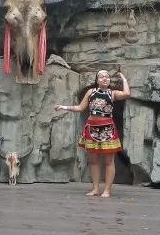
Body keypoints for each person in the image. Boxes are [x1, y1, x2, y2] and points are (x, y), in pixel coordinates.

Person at [54, 70, 130, 198]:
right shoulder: (91, 92)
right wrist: (64, 107)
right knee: (93, 161)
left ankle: (107, 190)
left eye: (107, 77)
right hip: (92, 128)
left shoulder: (112, 93)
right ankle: (95, 189)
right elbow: (80, 107)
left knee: (109, 161)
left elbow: (127, 94)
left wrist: (124, 79)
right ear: (97, 80)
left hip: (107, 129)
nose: (104, 79)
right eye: (101, 77)